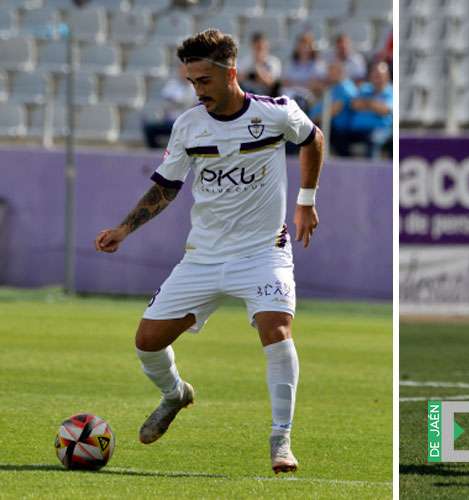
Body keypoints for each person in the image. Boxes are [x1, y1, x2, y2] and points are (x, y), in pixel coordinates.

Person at [94, 29, 324, 475]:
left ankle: (281, 439)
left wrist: (306, 201)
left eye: (203, 81)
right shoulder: (189, 125)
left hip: (263, 252)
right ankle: (175, 393)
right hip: (203, 257)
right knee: (146, 342)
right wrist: (125, 228)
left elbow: (313, 139)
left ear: (230, 73)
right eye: (191, 82)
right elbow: (166, 187)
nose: (197, 91)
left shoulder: (275, 114)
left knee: (276, 331)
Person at [309, 60, 357, 156]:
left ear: (340, 72)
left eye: (331, 71)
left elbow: (334, 110)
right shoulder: (333, 86)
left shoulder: (346, 87)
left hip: (338, 130)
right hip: (326, 126)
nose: (328, 74)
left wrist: (310, 122)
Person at [142, 64, 196, 149]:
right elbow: (168, 100)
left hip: (186, 124)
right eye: (182, 71)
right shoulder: (172, 84)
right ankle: (155, 154)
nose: (184, 74)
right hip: (170, 122)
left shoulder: (196, 87)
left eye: (187, 71)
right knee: (149, 128)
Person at [346, 62, 392, 158]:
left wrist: (367, 104)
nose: (377, 79)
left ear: (386, 77)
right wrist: (373, 105)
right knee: (339, 136)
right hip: (357, 129)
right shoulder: (364, 89)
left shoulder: (391, 92)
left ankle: (372, 172)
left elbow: (385, 110)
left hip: (380, 129)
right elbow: (354, 105)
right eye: (375, 76)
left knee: (374, 141)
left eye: (379, 76)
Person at [238, 32, 282, 97]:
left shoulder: (274, 62)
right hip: (248, 96)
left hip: (267, 98)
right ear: (252, 46)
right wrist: (250, 76)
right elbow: (237, 78)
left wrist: (258, 67)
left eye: (261, 47)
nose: (260, 49)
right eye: (257, 47)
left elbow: (271, 83)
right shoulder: (245, 60)